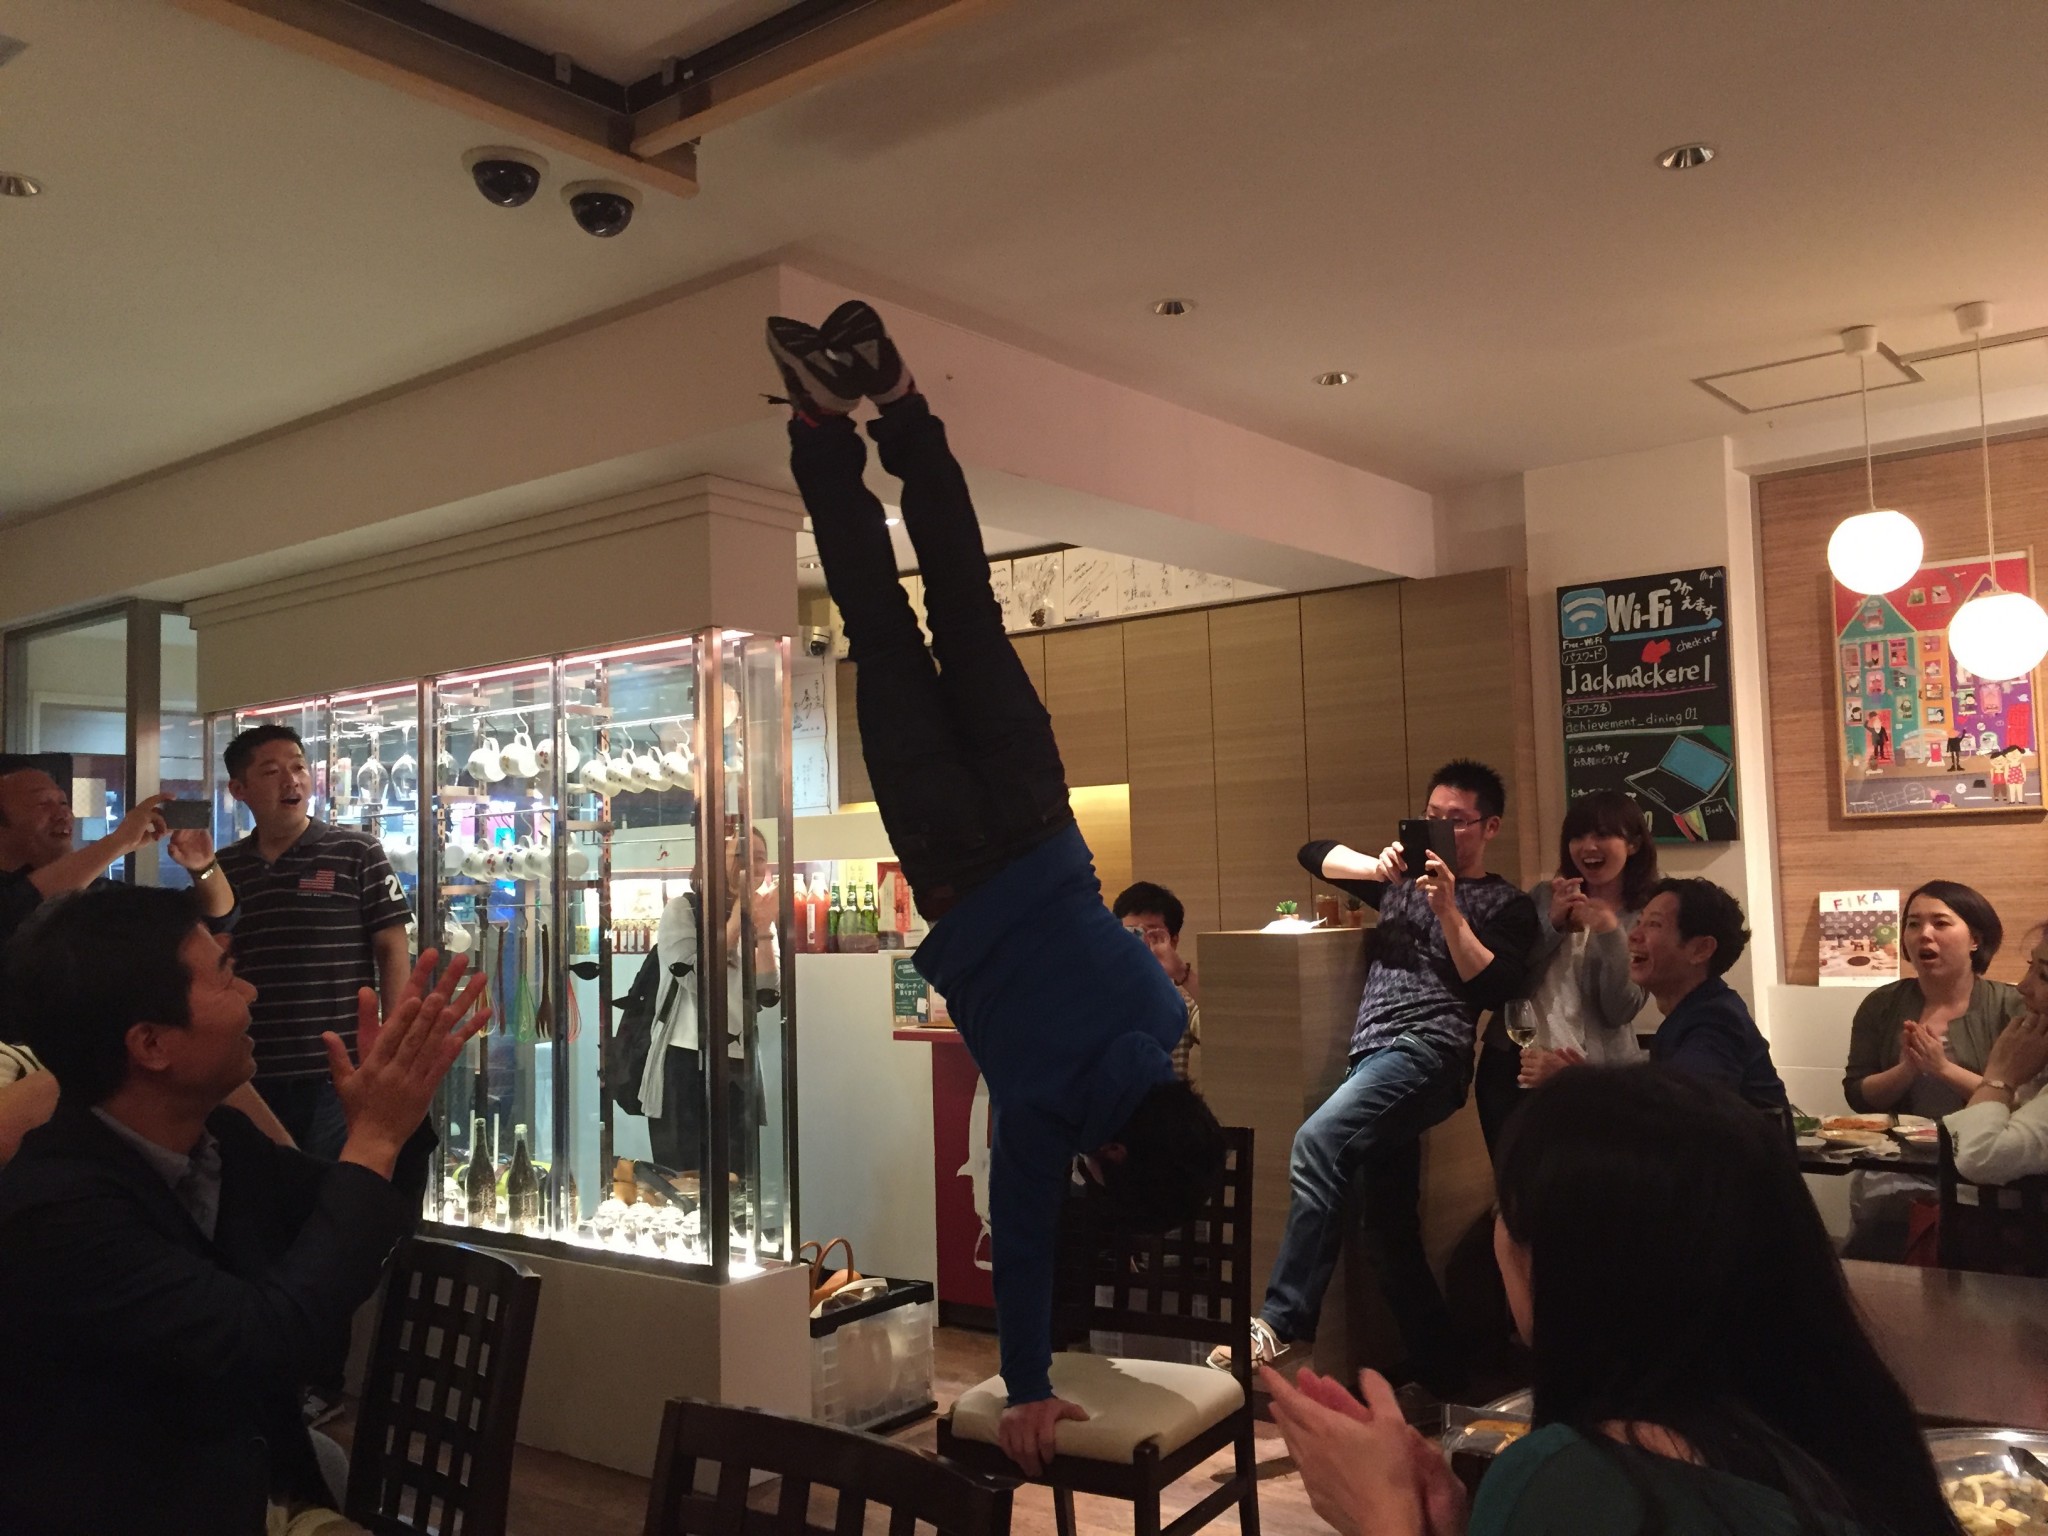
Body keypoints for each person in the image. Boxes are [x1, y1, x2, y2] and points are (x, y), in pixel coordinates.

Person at [769, 301, 1225, 1476]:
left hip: (1033, 805)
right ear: (1110, 1160)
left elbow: (1138, 1001)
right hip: (950, 857)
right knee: (879, 623)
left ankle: (899, 403)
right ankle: (818, 426)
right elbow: (1021, 1250)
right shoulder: (1039, 1111)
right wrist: (1025, 1388)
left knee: (962, 596)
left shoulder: (1160, 1012)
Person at [1262, 1067, 1952, 1536]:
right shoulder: (1846, 1432)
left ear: (1573, 1262)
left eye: (1507, 1209)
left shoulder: (1575, 1479)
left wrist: (1383, 1520)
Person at [0, 884, 488, 1535]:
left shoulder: (219, 1143)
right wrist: (372, 1140)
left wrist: (392, 1120)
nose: (251, 993)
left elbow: (366, 1226)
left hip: (244, 1486)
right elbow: (265, 1344)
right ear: (151, 1044)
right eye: (227, 978)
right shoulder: (56, 1212)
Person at [1219, 760, 1537, 1395]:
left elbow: (1495, 984)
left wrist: (1449, 910)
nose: (1441, 829)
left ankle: (1282, 1321)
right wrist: (1377, 868)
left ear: (1490, 826)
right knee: (1387, 1234)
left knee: (1318, 1141)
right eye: (1432, 817)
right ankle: (1449, 1383)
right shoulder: (1398, 885)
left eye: (1457, 821)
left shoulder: (1508, 905)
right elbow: (1312, 853)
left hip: (1429, 1054)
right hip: (1373, 1059)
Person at [215, 725, 412, 1158]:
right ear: (239, 789)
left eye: (299, 767)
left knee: (333, 1184)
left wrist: (392, 1042)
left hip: (336, 1069)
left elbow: (393, 947)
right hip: (249, 1069)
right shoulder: (223, 867)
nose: (292, 781)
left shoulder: (357, 852)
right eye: (272, 772)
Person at [1840, 881, 2022, 1260]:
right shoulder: (1881, 1003)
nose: (1924, 934)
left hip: (1985, 1169)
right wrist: (1907, 1069)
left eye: (1940, 923)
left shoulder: (2012, 1006)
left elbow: (2025, 1103)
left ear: (1975, 940)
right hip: (1900, 1164)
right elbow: (1858, 1095)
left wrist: (1942, 1068)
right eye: (1913, 924)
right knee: (1876, 1241)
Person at [1489, 790, 1656, 1147]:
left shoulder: (1644, 917)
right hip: (1514, 1064)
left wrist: (1610, 932)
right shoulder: (1544, 895)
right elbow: (1508, 978)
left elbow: (1619, 1010)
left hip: (1595, 1076)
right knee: (1514, 1175)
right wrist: (1552, 924)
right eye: (1577, 836)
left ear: (1633, 844)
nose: (1588, 846)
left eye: (1603, 834)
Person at [0, 763, 233, 961]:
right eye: (42, 803)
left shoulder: (99, 895)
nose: (64, 814)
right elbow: (21, 908)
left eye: (63, 802)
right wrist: (119, 841)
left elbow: (209, 919)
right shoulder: (12, 901)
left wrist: (204, 867)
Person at [1946, 922, 2048, 1185]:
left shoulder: (1998, 1002)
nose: (2022, 986)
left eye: (2044, 975)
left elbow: (1978, 1156)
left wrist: (1999, 1078)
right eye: (2030, 966)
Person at [1113, 880, 1200, 1082]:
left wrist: (1181, 972)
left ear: (1173, 941)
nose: (1141, 944)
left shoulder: (1183, 1004)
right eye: (1132, 933)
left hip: (1166, 1100)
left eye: (1152, 935)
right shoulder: (1100, 993)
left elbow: (1229, 1026)